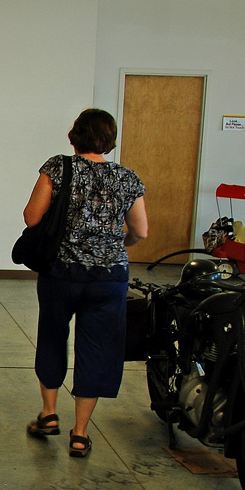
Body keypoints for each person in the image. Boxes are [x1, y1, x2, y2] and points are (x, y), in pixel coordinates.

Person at [23, 108, 149, 458]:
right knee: (96, 351)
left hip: (61, 273)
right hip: (109, 280)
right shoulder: (127, 178)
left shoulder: (57, 168)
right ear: (110, 139)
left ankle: (49, 414)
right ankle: (79, 434)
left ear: (74, 135)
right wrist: (116, 246)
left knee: (52, 337)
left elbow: (32, 217)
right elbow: (141, 230)